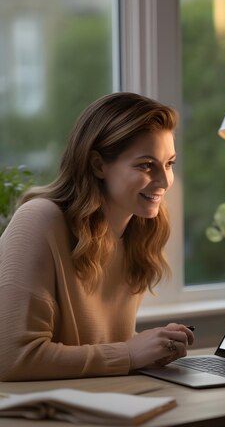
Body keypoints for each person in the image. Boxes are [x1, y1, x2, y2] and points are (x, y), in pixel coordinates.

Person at [0, 92, 195, 381]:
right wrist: (129, 353)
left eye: (169, 164)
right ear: (98, 165)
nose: (165, 180)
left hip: (99, 402)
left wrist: (152, 346)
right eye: (146, 165)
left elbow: (97, 347)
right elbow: (12, 358)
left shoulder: (141, 230)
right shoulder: (39, 220)